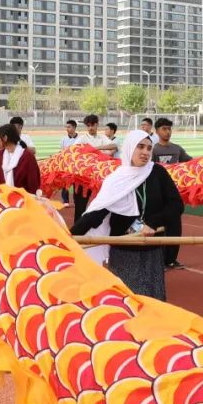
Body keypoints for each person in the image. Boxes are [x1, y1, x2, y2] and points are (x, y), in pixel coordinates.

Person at [71, 130, 184, 300]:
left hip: (151, 250)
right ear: (130, 148)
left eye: (149, 148)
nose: (145, 152)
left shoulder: (157, 172)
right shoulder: (116, 179)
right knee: (126, 302)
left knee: (152, 302)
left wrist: (153, 222)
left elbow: (176, 205)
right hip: (123, 251)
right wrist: (71, 235)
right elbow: (96, 214)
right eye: (140, 147)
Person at [151, 117, 191, 270]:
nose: (167, 132)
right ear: (157, 131)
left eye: (169, 129)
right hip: (158, 195)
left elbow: (190, 163)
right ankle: (158, 260)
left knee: (175, 228)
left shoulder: (177, 149)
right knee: (159, 228)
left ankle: (171, 260)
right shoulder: (154, 150)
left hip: (174, 195)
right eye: (164, 129)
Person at [73, 115, 118, 216]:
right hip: (83, 178)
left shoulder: (102, 137)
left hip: (98, 177)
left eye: (92, 125)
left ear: (97, 125)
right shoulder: (82, 139)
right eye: (88, 126)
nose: (90, 128)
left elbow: (114, 146)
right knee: (80, 206)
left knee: (100, 206)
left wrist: (95, 148)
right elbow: (74, 151)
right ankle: (78, 225)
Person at [59, 119, 80, 207]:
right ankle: (65, 201)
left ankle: (77, 201)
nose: (67, 129)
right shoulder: (63, 139)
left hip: (77, 165)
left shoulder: (80, 139)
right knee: (65, 183)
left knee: (77, 184)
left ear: (74, 127)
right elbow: (61, 152)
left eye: (69, 127)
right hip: (67, 165)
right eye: (66, 127)